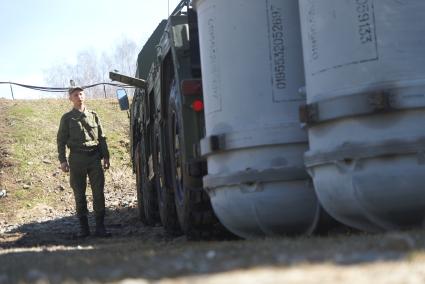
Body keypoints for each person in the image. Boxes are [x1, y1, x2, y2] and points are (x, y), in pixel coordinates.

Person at [57, 86, 111, 238]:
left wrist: (106, 156)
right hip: (76, 159)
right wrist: (62, 160)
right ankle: (84, 228)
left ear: (84, 96)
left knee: (98, 193)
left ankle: (100, 227)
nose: (79, 97)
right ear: (70, 98)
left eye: (81, 94)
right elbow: (60, 140)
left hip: (94, 157)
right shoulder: (67, 118)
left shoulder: (93, 115)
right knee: (79, 194)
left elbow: (102, 137)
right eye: (75, 95)